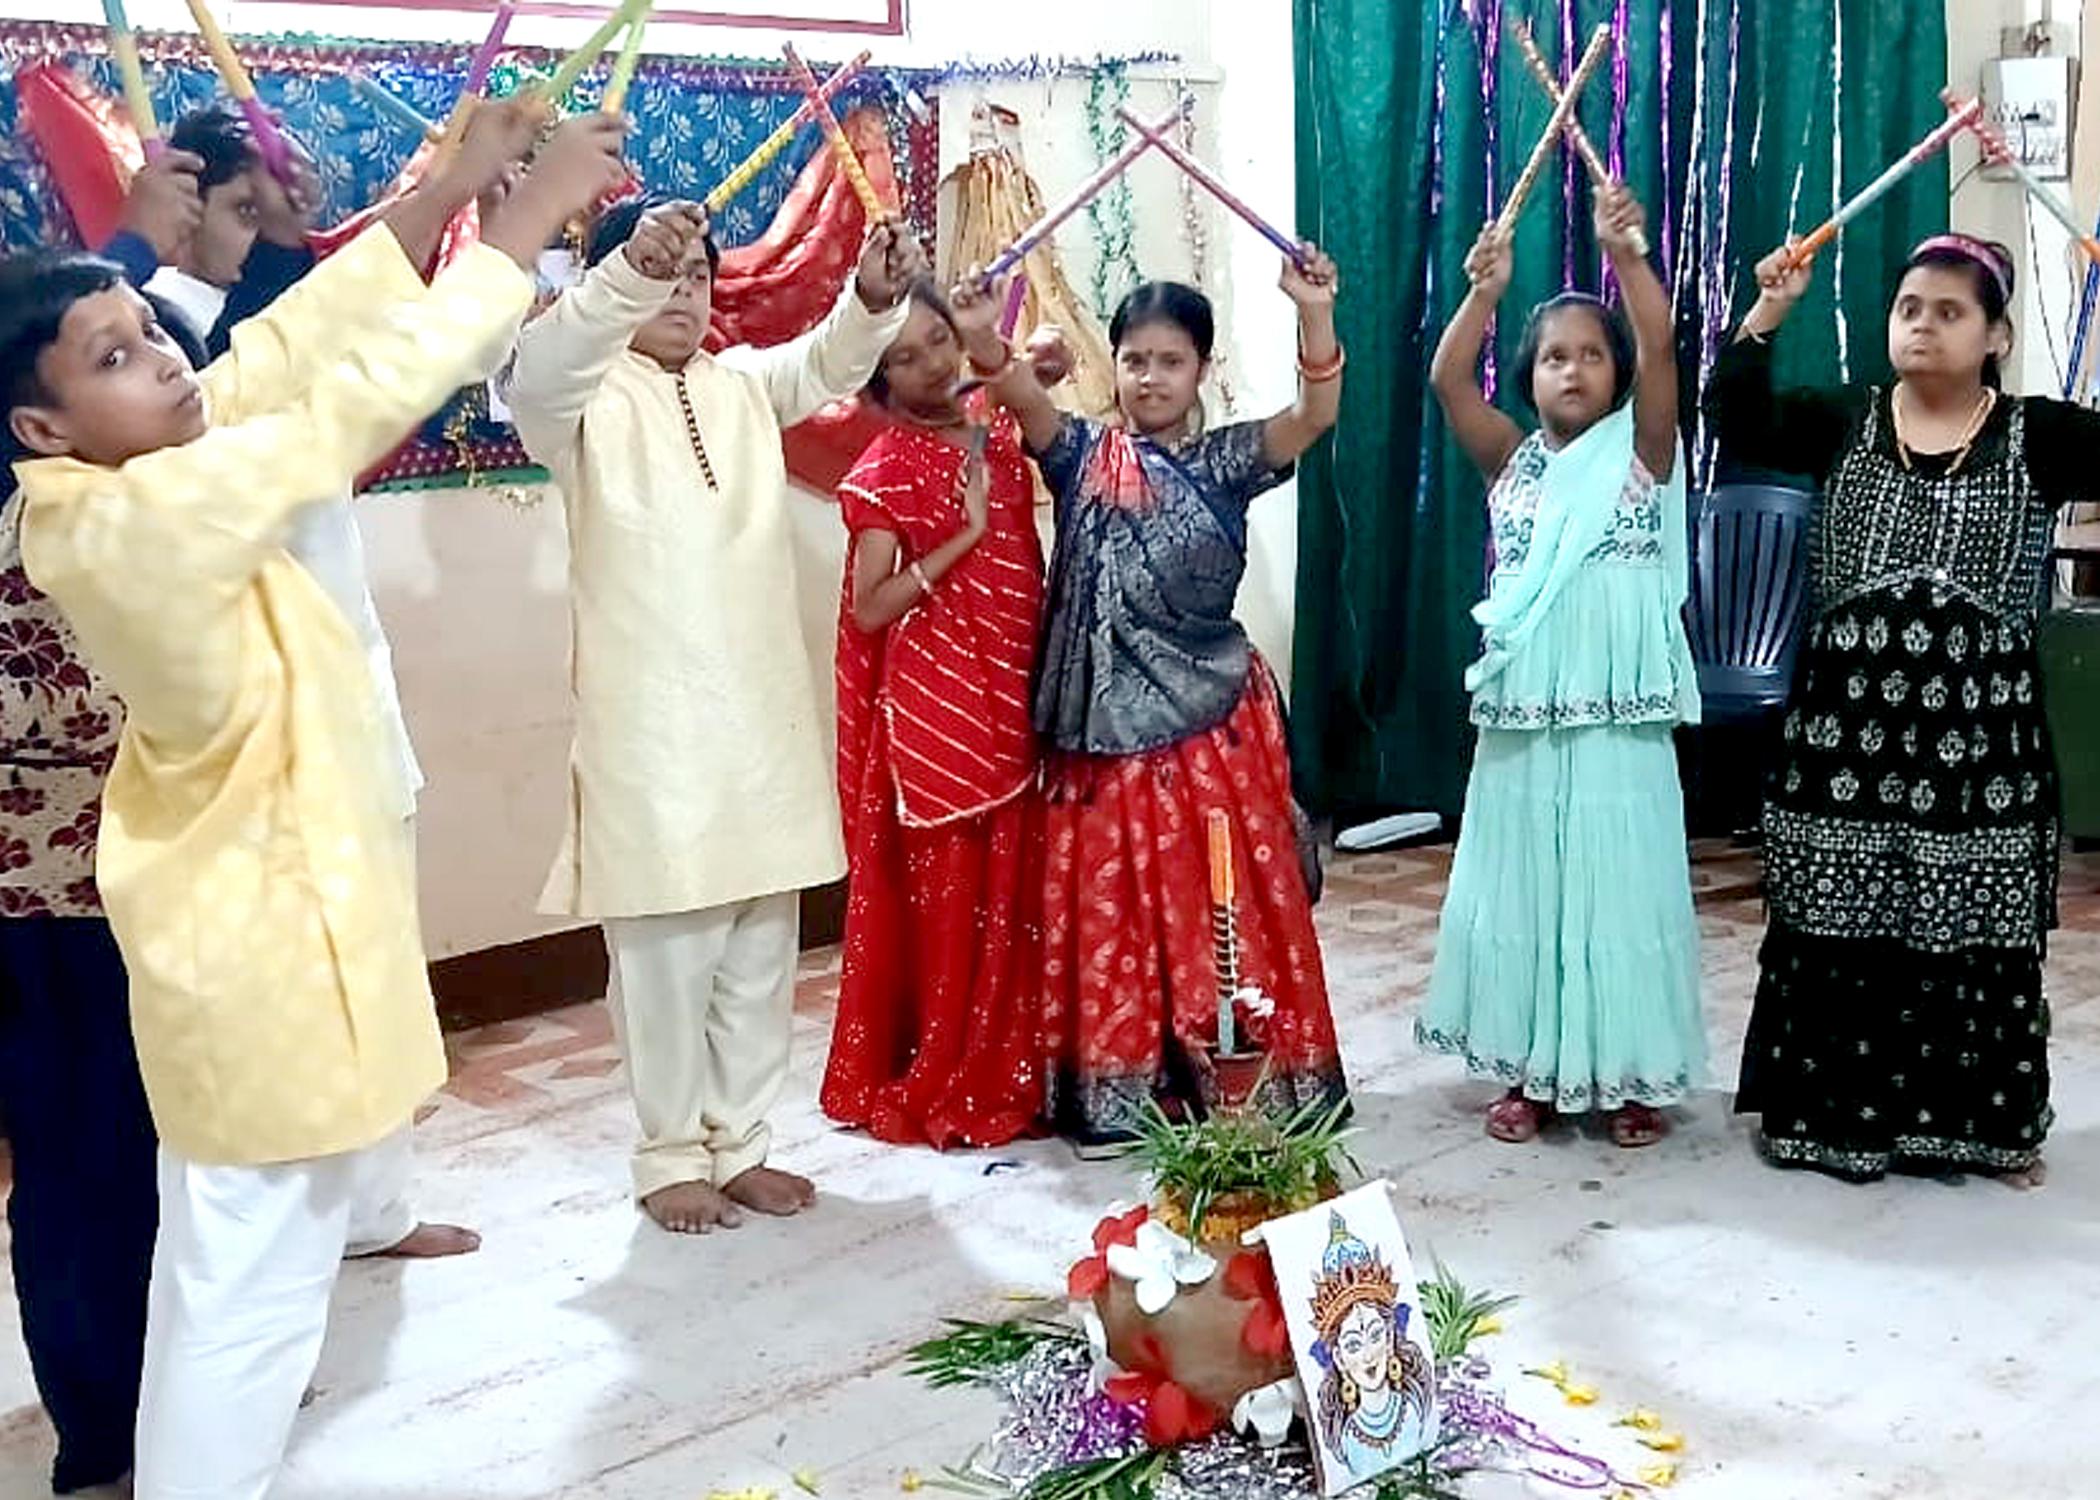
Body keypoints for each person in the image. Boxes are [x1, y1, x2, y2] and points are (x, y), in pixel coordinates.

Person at [2, 102, 626, 1499]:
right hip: (248, 937)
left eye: (154, 332)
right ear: (41, 425)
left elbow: (283, 347)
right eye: (116, 354)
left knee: (235, 1273)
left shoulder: (132, 469)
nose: (167, 356)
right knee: (249, 1297)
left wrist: (452, 190)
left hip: (268, 912)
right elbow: (341, 400)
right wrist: (519, 230)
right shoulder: (133, 516)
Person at [505, 198, 923, 1233]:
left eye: (695, 276)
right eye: (661, 276)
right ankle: (666, 1158)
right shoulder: (576, 399)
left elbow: (826, 362)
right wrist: (627, 276)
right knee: (664, 960)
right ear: (612, 286)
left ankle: (741, 1145)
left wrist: (873, 295)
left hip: (758, 721)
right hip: (650, 731)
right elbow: (545, 363)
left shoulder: (739, 388)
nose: (684, 295)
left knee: (757, 949)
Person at [1712, 232, 2097, 1186]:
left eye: (1950, 312)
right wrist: (1769, 310)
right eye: (1909, 309)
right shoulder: (1842, 418)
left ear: (1997, 336)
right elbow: (1734, 416)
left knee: (1977, 925)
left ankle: (1977, 1130)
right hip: (1845, 739)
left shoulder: (2038, 436)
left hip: (1982, 749)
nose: (1922, 326)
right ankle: (1827, 1123)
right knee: (1837, 918)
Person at [966, 249, 1348, 1151]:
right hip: (1099, 738)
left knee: (1212, 906)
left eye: (1170, 361)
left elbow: (1314, 414)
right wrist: (983, 336)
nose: (1149, 378)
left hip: (1205, 728)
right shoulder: (1081, 454)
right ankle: (1121, 1082)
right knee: (1111, 910)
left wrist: (1315, 316)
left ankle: (1234, 1076)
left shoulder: (1226, 461)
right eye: (1134, 360)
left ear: (1201, 370)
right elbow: (1019, 396)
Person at [1416, 185, 1705, 1149]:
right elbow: (1448, 380)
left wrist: (1627, 250)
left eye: (1590, 353)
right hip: (1526, 715)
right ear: (1530, 376)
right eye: (1551, 357)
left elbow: (1663, 346)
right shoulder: (1513, 461)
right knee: (1527, 890)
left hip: (1619, 721)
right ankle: (1530, 1074)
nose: (1570, 369)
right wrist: (1485, 294)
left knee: (1621, 891)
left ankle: (1628, 1076)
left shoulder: (1645, 451)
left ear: (1616, 373)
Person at [820, 279, 1046, 1149]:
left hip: (1017, 683)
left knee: (1015, 891)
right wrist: (962, 536)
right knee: (958, 903)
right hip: (938, 710)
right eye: (901, 357)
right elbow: (870, 608)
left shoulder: (1000, 426)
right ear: (877, 380)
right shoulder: (883, 470)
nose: (927, 366)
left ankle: (1019, 1057)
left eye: (936, 342)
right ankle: (952, 1064)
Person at [0, 485, 154, 1491]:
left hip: (137, 899)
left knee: (150, 1175)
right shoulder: (47, 530)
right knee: (83, 1182)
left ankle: (159, 1401)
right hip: (58, 915)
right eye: (114, 353)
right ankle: (104, 1436)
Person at [100, 104, 320, 357]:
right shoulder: (154, 312)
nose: (266, 229)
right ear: (187, 216)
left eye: (282, 209)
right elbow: (222, 378)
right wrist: (279, 250)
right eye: (247, 211)